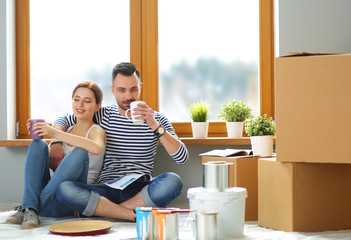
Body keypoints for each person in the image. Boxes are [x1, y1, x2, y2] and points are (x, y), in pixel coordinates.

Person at [50, 62, 189, 221]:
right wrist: (55, 142)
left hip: (139, 190)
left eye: (133, 89)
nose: (128, 96)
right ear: (112, 90)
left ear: (140, 87)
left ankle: (108, 211)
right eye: (121, 90)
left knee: (173, 181)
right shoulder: (103, 114)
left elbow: (182, 158)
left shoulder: (157, 119)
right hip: (106, 189)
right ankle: (129, 214)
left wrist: (154, 125)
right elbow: (64, 118)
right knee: (64, 189)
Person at [5, 81, 106, 229]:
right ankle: (31, 208)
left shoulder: (96, 130)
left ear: (97, 106)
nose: (80, 105)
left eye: (87, 101)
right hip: (52, 197)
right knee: (38, 144)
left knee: (80, 152)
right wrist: (45, 133)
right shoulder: (67, 129)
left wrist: (54, 133)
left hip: (70, 198)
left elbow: (96, 148)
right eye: (76, 99)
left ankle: (29, 206)